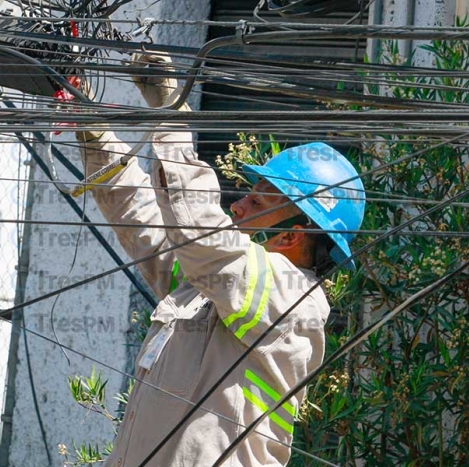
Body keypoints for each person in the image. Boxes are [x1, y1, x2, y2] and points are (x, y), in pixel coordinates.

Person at [76, 54, 365, 467]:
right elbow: (148, 224)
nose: (239, 207)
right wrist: (95, 134)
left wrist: (170, 112)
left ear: (290, 235)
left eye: (257, 200)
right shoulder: (215, 286)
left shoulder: (291, 300)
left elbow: (200, 232)